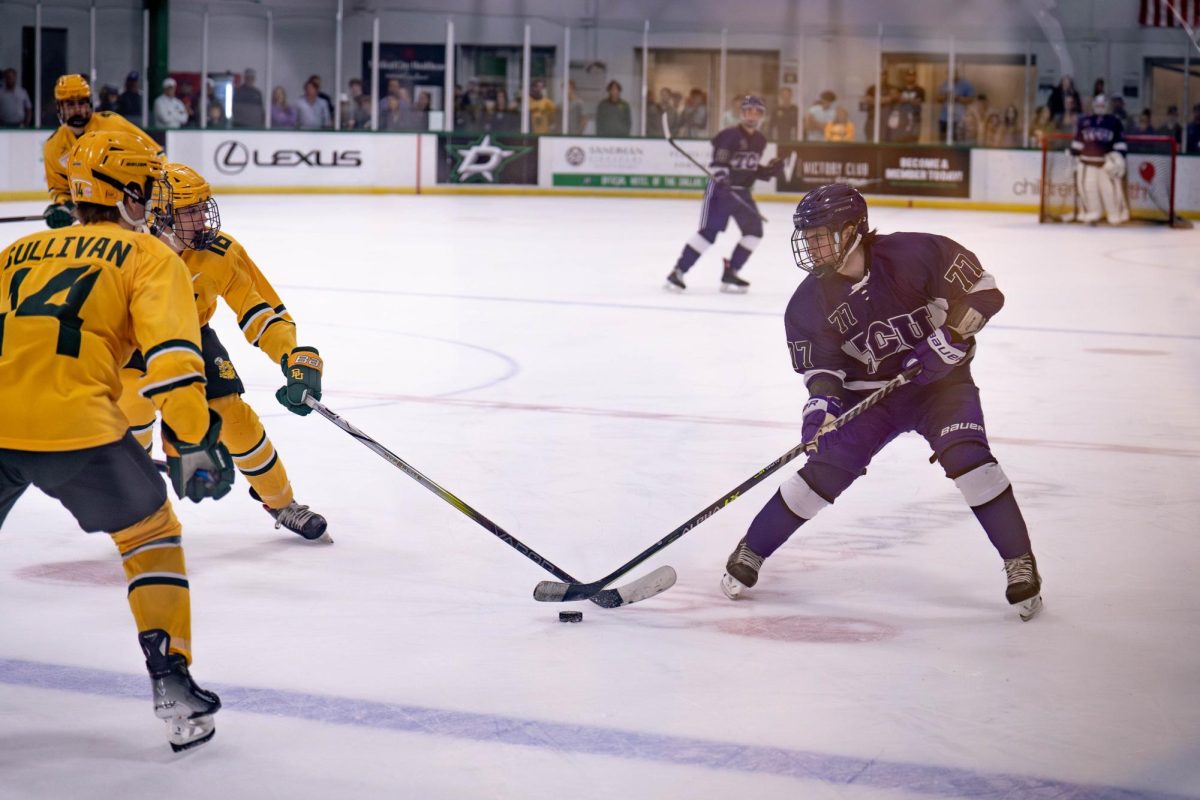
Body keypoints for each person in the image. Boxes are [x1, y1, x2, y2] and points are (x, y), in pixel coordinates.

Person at [0, 130, 234, 750]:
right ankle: (172, 679)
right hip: (76, 426)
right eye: (151, 190)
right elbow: (175, 360)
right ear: (128, 194)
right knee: (150, 533)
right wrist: (194, 442)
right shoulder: (151, 258)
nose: (157, 203)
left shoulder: (15, 251)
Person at [719, 182, 1043, 622]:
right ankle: (752, 549)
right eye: (807, 237)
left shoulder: (916, 254)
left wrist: (952, 337)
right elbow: (822, 372)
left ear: (852, 229)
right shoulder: (808, 303)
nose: (810, 247)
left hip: (941, 387)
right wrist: (821, 411)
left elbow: (985, 294)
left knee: (971, 460)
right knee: (825, 470)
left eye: (819, 235)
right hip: (870, 400)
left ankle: (1019, 561)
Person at [119, 162, 331, 542]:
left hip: (192, 337)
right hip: (133, 343)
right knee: (130, 411)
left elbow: (261, 311)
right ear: (162, 214)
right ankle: (136, 502)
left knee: (234, 418)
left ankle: (282, 503)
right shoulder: (127, 246)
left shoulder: (220, 252)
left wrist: (294, 356)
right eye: (190, 211)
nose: (203, 218)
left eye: (204, 207)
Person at [665, 95, 784, 294]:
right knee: (708, 234)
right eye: (749, 111)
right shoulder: (729, 136)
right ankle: (678, 271)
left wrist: (768, 172)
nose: (753, 116)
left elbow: (749, 169)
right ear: (742, 113)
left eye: (757, 112)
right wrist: (724, 180)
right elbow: (718, 165)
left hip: (741, 192)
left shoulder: (760, 140)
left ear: (762, 116)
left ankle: (732, 271)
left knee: (754, 232)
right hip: (720, 192)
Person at [42, 74, 157, 230]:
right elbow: (60, 189)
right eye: (70, 105)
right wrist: (63, 206)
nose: (77, 110)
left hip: (132, 213)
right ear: (59, 108)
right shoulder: (53, 146)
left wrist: (153, 197)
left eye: (82, 103)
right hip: (95, 222)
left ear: (90, 103)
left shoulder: (113, 123)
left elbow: (156, 156)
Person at [1071, 95, 1129, 225]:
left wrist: (1117, 159)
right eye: (1098, 105)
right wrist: (1074, 158)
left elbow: (1120, 144)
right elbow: (1077, 143)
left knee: (1110, 191)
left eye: (1102, 105)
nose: (1100, 107)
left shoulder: (1114, 122)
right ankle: (1092, 212)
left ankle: (1115, 214)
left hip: (1106, 164)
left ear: (1107, 106)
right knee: (1088, 189)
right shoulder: (1084, 121)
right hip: (1087, 162)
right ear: (1093, 105)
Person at [936, 67, 975, 141]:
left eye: (953, 73)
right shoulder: (944, 84)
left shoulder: (966, 84)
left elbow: (971, 99)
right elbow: (937, 99)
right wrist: (945, 97)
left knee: (958, 142)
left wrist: (957, 98)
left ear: (957, 73)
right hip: (944, 118)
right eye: (949, 74)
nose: (951, 76)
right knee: (943, 141)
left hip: (959, 119)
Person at [889, 68, 924, 143]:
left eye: (912, 76)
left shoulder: (920, 90)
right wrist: (911, 100)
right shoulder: (901, 89)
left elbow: (918, 102)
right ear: (905, 77)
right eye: (908, 75)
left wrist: (905, 100)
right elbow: (896, 99)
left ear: (915, 77)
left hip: (915, 117)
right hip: (902, 118)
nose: (910, 77)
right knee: (901, 138)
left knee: (914, 139)